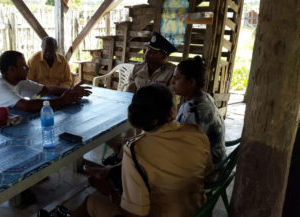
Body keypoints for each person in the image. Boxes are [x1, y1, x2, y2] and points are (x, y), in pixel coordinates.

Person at [55, 84, 212, 217]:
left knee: (93, 200)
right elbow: (208, 173)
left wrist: (112, 192)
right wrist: (112, 171)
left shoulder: (136, 150)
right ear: (172, 111)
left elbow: (135, 214)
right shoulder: (196, 133)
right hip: (198, 211)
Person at [103, 31, 177, 165]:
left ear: (164, 57)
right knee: (107, 128)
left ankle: (125, 157)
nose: (147, 54)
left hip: (157, 116)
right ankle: (121, 153)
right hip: (137, 109)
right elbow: (129, 88)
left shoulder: (171, 72)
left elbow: (169, 98)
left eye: (153, 52)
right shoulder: (138, 68)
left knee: (138, 137)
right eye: (148, 50)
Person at [0, 50, 91, 112]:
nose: (27, 69)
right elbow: (27, 106)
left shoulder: (19, 81)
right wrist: (62, 100)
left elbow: (47, 89)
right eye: (23, 67)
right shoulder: (0, 86)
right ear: (12, 70)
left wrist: (70, 91)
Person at [171, 56, 226, 164]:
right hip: (218, 158)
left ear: (191, 82)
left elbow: (184, 149)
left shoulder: (193, 110)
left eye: (177, 78)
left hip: (208, 167)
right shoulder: (205, 97)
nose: (173, 82)